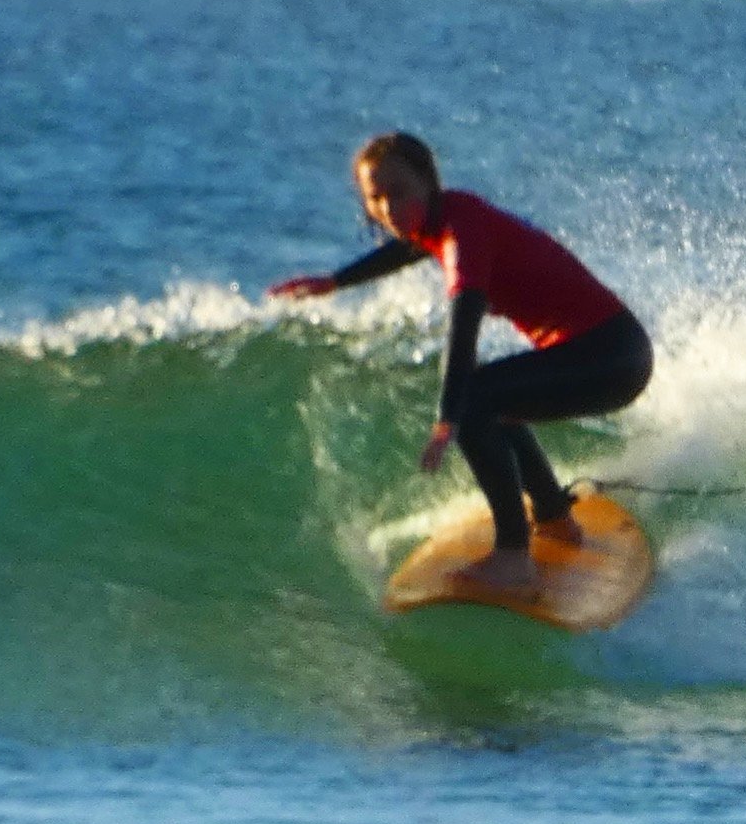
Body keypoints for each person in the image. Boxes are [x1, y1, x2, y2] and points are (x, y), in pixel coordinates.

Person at [268, 132, 653, 590]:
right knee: (498, 403)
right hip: (604, 351)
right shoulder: (443, 218)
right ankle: (554, 519)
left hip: (612, 355)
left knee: (479, 400)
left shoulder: (462, 232)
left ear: (429, 184)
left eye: (400, 193)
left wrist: (448, 417)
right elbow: (409, 247)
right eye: (377, 198)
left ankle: (513, 556)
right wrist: (335, 282)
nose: (390, 209)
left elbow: (463, 328)